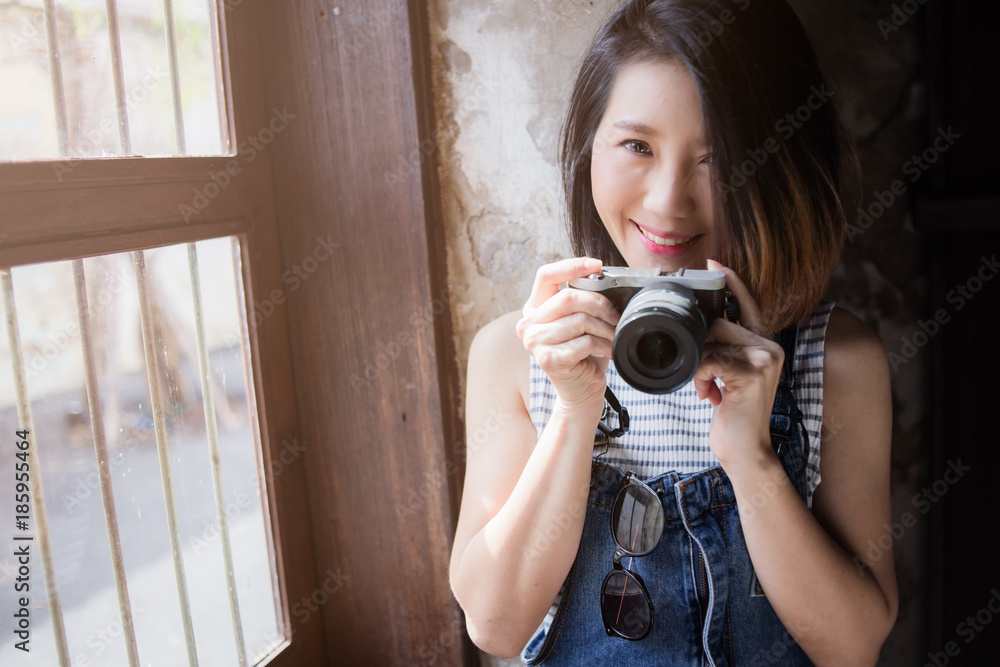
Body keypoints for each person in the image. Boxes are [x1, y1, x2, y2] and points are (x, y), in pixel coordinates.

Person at [448, 0, 898, 664]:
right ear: (588, 150)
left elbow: (852, 647)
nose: (667, 200)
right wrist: (575, 409)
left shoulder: (834, 359)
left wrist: (752, 454)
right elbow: (495, 623)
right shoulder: (517, 355)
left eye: (715, 159)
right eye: (637, 145)